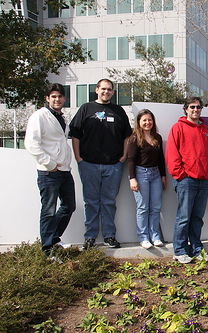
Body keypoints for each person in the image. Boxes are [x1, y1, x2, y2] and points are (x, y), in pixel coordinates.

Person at [69, 79, 132, 249]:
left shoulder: (118, 111)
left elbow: (127, 135)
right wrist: (78, 158)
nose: (106, 91)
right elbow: (75, 134)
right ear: (97, 90)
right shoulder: (86, 109)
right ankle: (90, 237)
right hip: (88, 164)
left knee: (109, 202)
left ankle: (109, 236)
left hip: (114, 165)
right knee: (91, 202)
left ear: (112, 92)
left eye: (109, 89)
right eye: (103, 89)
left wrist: (123, 156)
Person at [25, 83, 76, 260]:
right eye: (53, 96)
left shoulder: (62, 118)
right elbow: (31, 143)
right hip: (49, 172)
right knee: (48, 210)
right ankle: (47, 250)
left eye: (60, 96)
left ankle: (53, 239)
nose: (57, 99)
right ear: (47, 98)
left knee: (69, 206)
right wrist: (49, 164)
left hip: (64, 171)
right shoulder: (39, 116)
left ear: (64, 98)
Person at [166, 97, 208, 264]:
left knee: (197, 217)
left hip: (204, 180)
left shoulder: (206, 129)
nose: (195, 110)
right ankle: (179, 251)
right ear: (186, 109)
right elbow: (172, 154)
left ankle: (196, 249)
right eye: (192, 107)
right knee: (184, 217)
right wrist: (180, 175)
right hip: (186, 180)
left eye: (198, 107)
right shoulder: (178, 127)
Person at [128, 109, 167, 249]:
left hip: (155, 174)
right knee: (143, 207)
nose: (147, 122)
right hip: (140, 174)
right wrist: (133, 178)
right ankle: (143, 237)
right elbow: (131, 160)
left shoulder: (157, 137)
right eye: (144, 120)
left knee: (156, 208)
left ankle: (155, 236)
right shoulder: (134, 139)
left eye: (149, 120)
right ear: (139, 122)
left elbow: (161, 159)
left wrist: (163, 176)